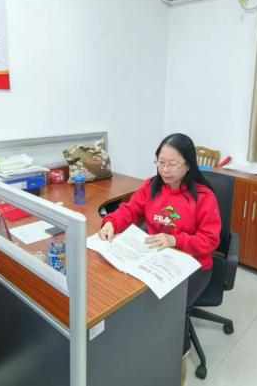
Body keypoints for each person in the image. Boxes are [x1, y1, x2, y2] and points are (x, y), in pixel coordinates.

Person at [98, 133, 221, 384]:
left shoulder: (203, 196)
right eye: (160, 162)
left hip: (193, 266)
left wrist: (175, 240)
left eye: (172, 164)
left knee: (170, 311)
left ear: (188, 165)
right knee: (131, 298)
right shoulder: (151, 186)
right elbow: (130, 210)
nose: (165, 170)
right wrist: (111, 222)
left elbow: (210, 240)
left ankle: (176, 364)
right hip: (155, 258)